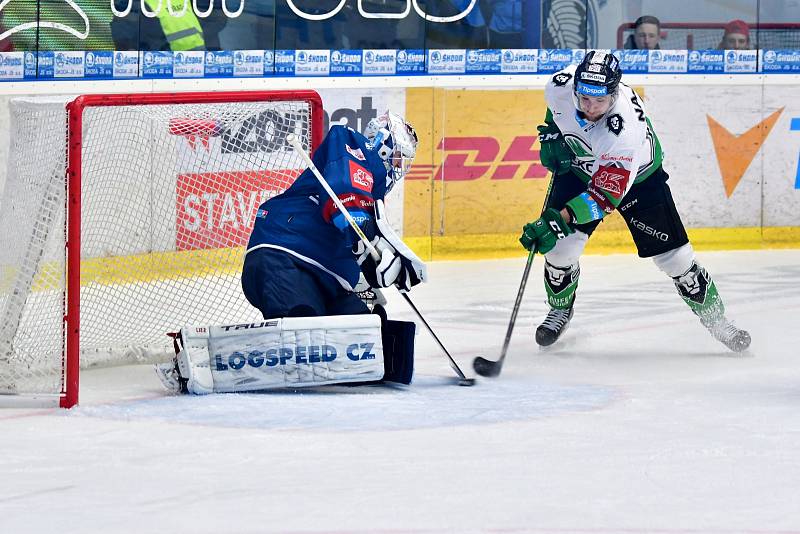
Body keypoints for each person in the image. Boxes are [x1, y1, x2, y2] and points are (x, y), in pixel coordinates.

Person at [154, 112, 424, 394]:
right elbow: (346, 191)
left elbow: (362, 249)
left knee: (362, 341)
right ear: (382, 144)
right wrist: (364, 234)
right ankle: (202, 358)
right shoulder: (350, 144)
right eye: (398, 158)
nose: (399, 168)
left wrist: (379, 275)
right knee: (300, 334)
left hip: (327, 283)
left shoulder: (372, 203)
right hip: (285, 256)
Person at [520, 50, 751, 353]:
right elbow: (557, 110)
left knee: (677, 259)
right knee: (560, 251)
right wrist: (551, 135)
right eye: (584, 98)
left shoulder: (623, 129)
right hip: (580, 168)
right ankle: (561, 309)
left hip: (638, 180)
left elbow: (603, 196)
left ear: (614, 93)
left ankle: (719, 322)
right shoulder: (560, 85)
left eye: (599, 101)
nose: (589, 108)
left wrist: (557, 219)